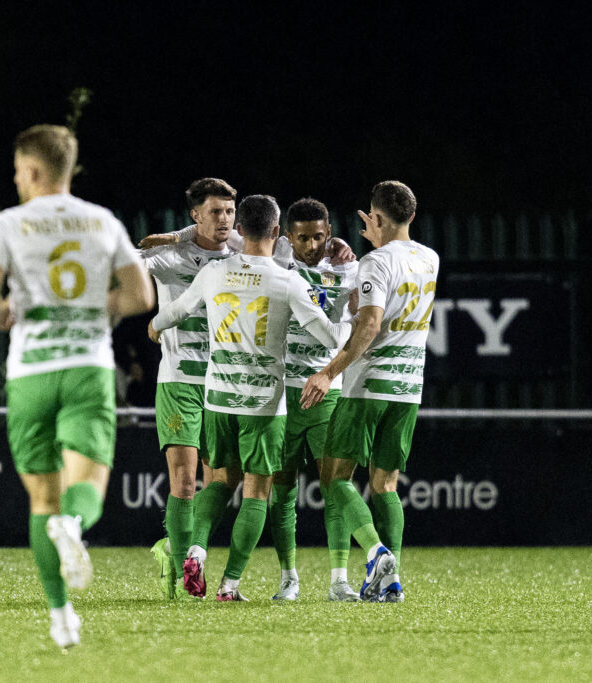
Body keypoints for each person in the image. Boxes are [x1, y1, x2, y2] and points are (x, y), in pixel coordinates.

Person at [0, 124, 153, 649]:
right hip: (86, 369)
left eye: (18, 172)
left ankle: (60, 616)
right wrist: (102, 310)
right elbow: (140, 294)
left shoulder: (9, 222)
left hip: (29, 373)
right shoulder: (101, 221)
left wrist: (2, 311)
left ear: (31, 171)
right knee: (85, 489)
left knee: (41, 502)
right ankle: (75, 524)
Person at [150, 194, 351, 601]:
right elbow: (330, 337)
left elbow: (175, 313)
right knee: (258, 492)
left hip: (217, 401)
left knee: (219, 483)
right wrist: (351, 328)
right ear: (277, 233)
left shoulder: (213, 273)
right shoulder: (286, 280)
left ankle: (195, 549)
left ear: (239, 230)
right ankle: (229, 584)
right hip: (263, 404)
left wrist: (155, 326)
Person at [300, 180, 440, 603]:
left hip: (368, 385)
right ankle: (390, 581)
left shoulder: (375, 263)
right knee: (386, 483)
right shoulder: (430, 258)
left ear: (375, 217)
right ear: (412, 216)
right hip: (408, 386)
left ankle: (377, 552)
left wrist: (328, 372)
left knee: (336, 476)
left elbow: (369, 324)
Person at [140, 177, 242, 600]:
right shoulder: (170, 256)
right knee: (184, 482)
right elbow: (125, 265)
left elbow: (286, 247)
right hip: (180, 379)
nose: (224, 219)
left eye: (230, 211)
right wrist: (177, 239)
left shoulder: (241, 253)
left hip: (224, 382)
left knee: (222, 479)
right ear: (195, 215)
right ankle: (185, 578)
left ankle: (177, 548)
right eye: (215, 211)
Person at [268, 198, 359, 602]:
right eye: (302, 237)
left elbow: (361, 321)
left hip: (327, 391)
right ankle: (288, 577)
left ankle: (339, 579)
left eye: (319, 236)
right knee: (282, 487)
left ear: (329, 232)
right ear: (288, 238)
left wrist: (341, 248)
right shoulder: (279, 261)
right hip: (281, 391)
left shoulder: (348, 267)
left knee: (335, 485)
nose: (311, 244)